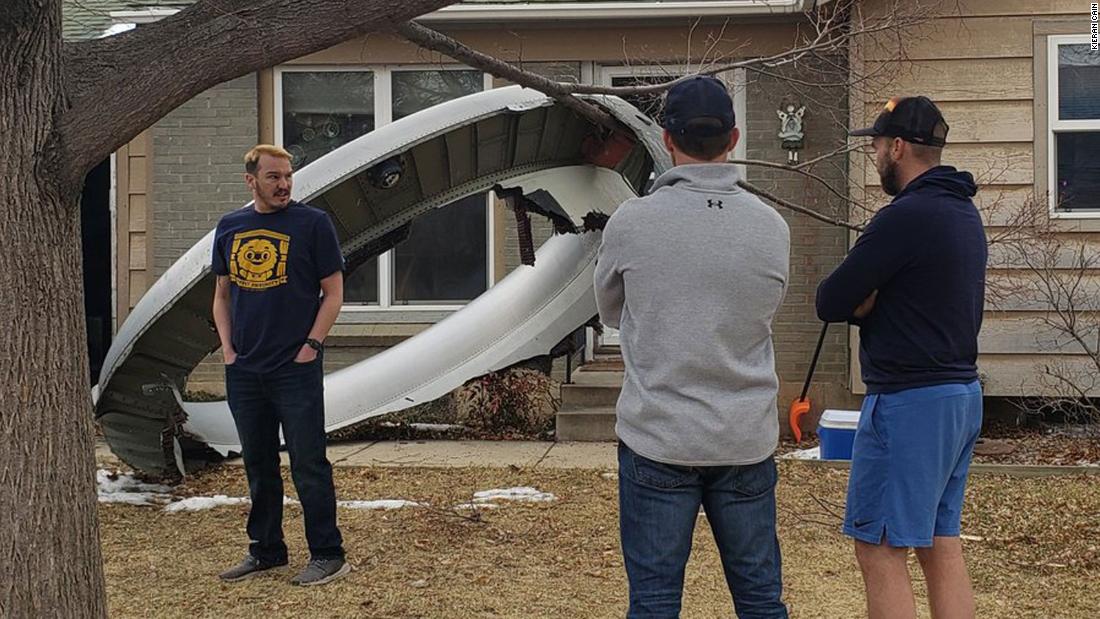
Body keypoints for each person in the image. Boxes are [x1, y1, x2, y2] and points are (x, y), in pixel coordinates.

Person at [595, 76, 791, 619]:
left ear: (666, 138)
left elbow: (612, 312)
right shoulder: (772, 226)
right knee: (760, 601)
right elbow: (762, 311)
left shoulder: (631, 222)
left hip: (658, 433)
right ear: (733, 138)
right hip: (745, 438)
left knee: (654, 603)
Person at [816, 96, 987, 619]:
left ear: (896, 147)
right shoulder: (962, 210)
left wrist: (867, 304)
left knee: (880, 546)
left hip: (910, 403)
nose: (873, 155)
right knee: (940, 543)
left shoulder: (904, 218)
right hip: (960, 397)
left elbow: (831, 300)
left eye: (875, 144)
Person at [212, 144, 349, 586]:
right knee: (258, 464)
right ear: (250, 180)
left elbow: (333, 293)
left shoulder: (313, 224)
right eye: (273, 176)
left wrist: (311, 345)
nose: (284, 183)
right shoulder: (231, 227)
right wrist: (229, 352)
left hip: (296, 367)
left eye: (288, 175)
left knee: (309, 463)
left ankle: (328, 553)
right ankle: (267, 550)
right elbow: (221, 295)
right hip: (246, 371)